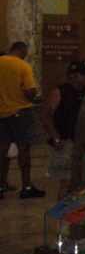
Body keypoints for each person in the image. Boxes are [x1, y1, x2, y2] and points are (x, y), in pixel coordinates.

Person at [42, 59, 85, 198]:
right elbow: (46, 115)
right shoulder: (60, 92)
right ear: (72, 75)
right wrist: (56, 137)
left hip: (82, 143)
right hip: (66, 142)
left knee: (83, 180)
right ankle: (61, 212)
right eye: (83, 74)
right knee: (67, 181)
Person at [0, 42, 44, 199]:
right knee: (23, 150)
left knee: (2, 151)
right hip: (20, 111)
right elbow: (31, 91)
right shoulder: (22, 66)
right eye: (25, 52)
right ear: (21, 50)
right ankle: (26, 186)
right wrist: (28, 93)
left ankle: (1, 186)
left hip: (1, 113)